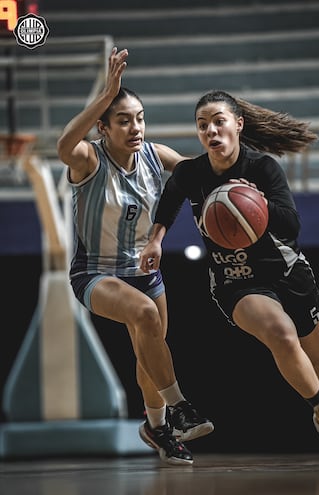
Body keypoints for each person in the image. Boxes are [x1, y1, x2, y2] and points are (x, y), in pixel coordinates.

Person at [140, 89, 319, 465]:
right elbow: (171, 198)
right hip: (236, 278)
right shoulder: (191, 173)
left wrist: (254, 203)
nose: (211, 131)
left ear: (238, 125)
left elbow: (291, 226)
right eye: (202, 125)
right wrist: (155, 239)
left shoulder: (262, 168)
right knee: (281, 334)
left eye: (218, 122)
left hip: (287, 270)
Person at [56, 47, 214, 466]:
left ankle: (158, 429)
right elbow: (63, 143)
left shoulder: (155, 156)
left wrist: (231, 151)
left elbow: (199, 175)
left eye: (140, 117)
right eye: (123, 119)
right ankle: (180, 407)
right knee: (145, 317)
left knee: (150, 349)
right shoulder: (88, 158)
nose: (135, 126)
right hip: (94, 273)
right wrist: (105, 95)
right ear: (103, 128)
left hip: (144, 270)